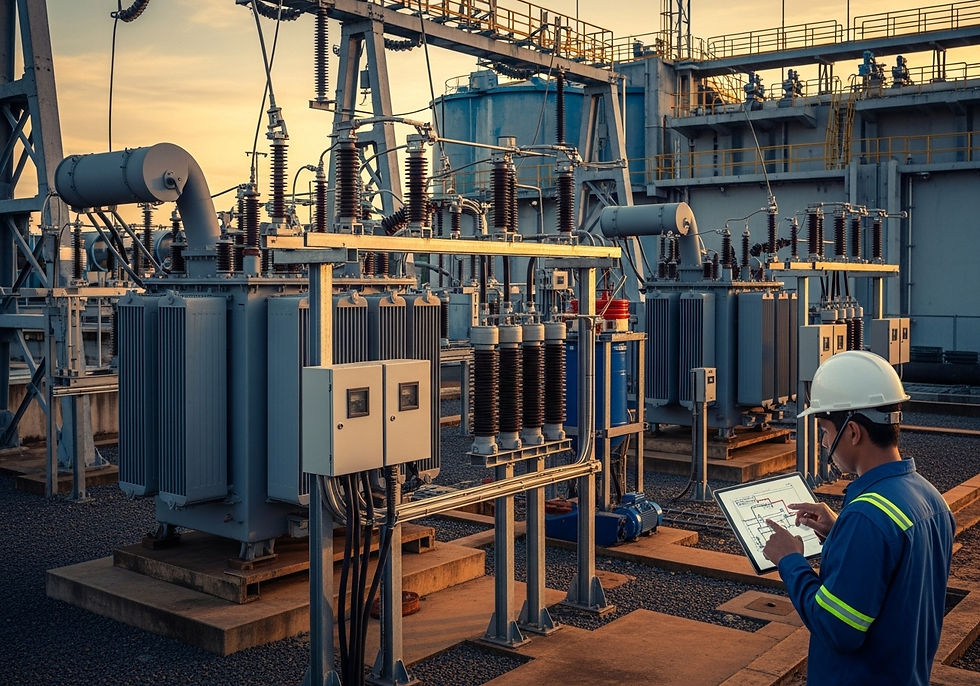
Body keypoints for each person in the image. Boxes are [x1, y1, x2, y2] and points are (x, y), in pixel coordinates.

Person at [762, 350, 955, 686]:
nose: (823, 442)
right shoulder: (931, 499)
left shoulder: (868, 518)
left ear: (852, 432)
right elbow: (896, 577)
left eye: (824, 430)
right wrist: (838, 531)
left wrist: (790, 560)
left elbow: (838, 629)